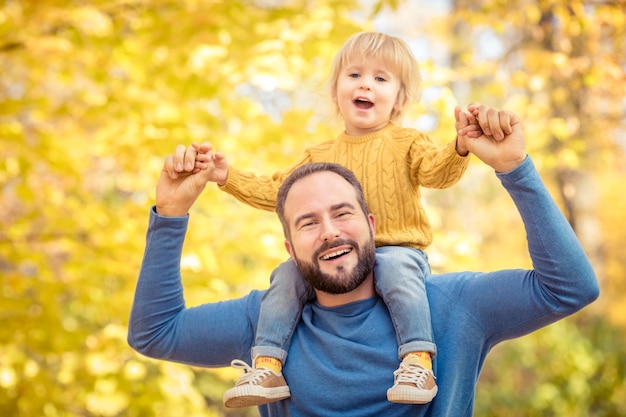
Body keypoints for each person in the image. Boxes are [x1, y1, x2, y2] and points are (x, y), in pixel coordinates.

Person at [128, 102, 599, 417]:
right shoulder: (268, 320)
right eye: (308, 222)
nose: (330, 230)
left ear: (372, 226)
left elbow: (570, 288)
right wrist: (171, 214)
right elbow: (154, 334)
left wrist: (514, 169)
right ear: (290, 248)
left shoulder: (452, 307)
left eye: (342, 213)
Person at [194, 31, 479, 408]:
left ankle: (418, 360)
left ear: (399, 100)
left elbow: (438, 173)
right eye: (355, 75)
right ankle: (267, 365)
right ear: (336, 92)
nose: (366, 84)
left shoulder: (408, 142)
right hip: (335, 259)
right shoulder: (320, 154)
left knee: (393, 269)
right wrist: (227, 177)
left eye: (381, 78)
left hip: (398, 250)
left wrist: (459, 146)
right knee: (286, 275)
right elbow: (278, 192)